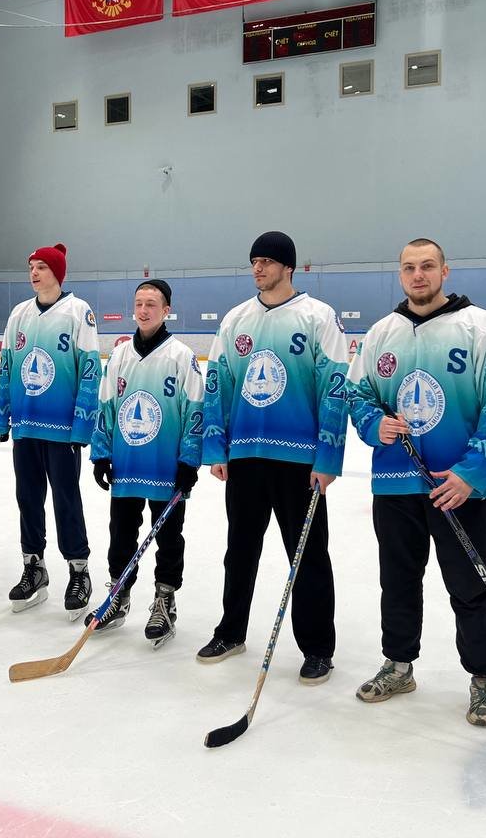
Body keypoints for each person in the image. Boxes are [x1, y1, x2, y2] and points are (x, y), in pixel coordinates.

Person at [346, 238, 486, 727]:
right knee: (398, 581)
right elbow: (357, 393)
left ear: (445, 271)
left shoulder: (480, 326)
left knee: (470, 585)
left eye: (426, 266)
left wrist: (471, 473)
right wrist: (373, 424)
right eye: (408, 268)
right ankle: (399, 666)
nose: (417, 275)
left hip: (457, 486)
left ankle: (483, 678)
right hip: (395, 484)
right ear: (400, 275)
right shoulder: (381, 333)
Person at [199, 231, 349, 684]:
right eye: (254, 261)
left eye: (266, 261)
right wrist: (216, 446)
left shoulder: (318, 316)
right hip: (245, 456)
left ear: (288, 267)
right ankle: (231, 631)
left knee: (308, 555)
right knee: (239, 551)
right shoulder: (236, 319)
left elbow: (335, 388)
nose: (258, 268)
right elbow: (217, 384)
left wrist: (328, 456)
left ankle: (318, 648)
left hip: (300, 462)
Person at [89, 279, 202, 647]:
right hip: (127, 463)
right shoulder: (120, 355)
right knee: (121, 533)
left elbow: (195, 410)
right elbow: (105, 405)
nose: (143, 310)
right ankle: (118, 596)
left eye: (151, 304)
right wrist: (102, 453)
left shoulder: (181, 356)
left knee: (169, 536)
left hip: (166, 466)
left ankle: (165, 601)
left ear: (166, 310)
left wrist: (189, 460)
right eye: (138, 303)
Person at [0, 243, 100, 619]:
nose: (34, 273)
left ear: (57, 272)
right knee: (27, 497)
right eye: (31, 267)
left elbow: (90, 371)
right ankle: (34, 566)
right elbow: (7, 367)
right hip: (26, 426)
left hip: (62, 429)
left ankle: (78, 570)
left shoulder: (78, 311)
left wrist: (83, 424)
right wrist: (1, 414)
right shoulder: (19, 314)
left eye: (41, 266)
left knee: (65, 500)